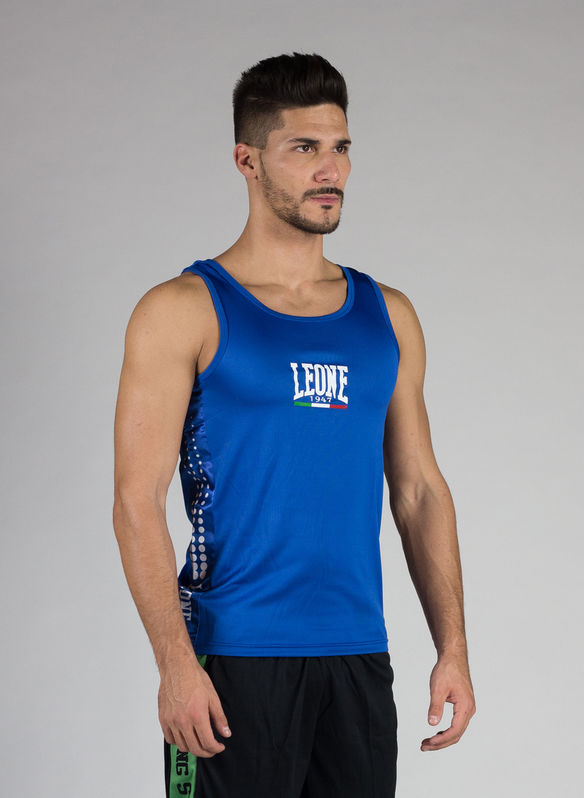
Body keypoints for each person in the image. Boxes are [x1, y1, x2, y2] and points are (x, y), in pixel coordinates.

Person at [113, 51, 476, 798]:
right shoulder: (183, 310)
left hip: (357, 657)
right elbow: (135, 500)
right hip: (231, 659)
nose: (330, 169)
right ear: (247, 161)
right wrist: (175, 664)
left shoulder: (388, 316)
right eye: (304, 148)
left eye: (340, 147)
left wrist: (453, 648)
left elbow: (418, 491)